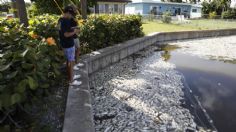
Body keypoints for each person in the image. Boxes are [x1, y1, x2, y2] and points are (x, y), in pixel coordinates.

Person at [58, 6, 80, 84]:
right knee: (71, 62)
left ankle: (71, 76)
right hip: (68, 44)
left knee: (68, 61)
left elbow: (63, 32)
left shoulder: (60, 20)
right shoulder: (65, 21)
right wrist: (75, 31)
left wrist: (72, 30)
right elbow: (66, 34)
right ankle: (72, 81)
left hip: (64, 44)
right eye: (71, 14)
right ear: (67, 12)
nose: (71, 16)